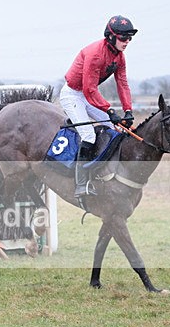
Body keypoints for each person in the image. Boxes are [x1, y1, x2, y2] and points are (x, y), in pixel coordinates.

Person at [59, 15, 138, 198]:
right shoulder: (96, 54)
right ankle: (80, 183)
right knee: (88, 134)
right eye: (123, 38)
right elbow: (89, 89)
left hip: (87, 96)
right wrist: (110, 110)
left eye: (129, 38)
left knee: (115, 128)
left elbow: (123, 84)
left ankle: (107, 172)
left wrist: (128, 111)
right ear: (111, 37)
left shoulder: (120, 57)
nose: (127, 42)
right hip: (73, 94)